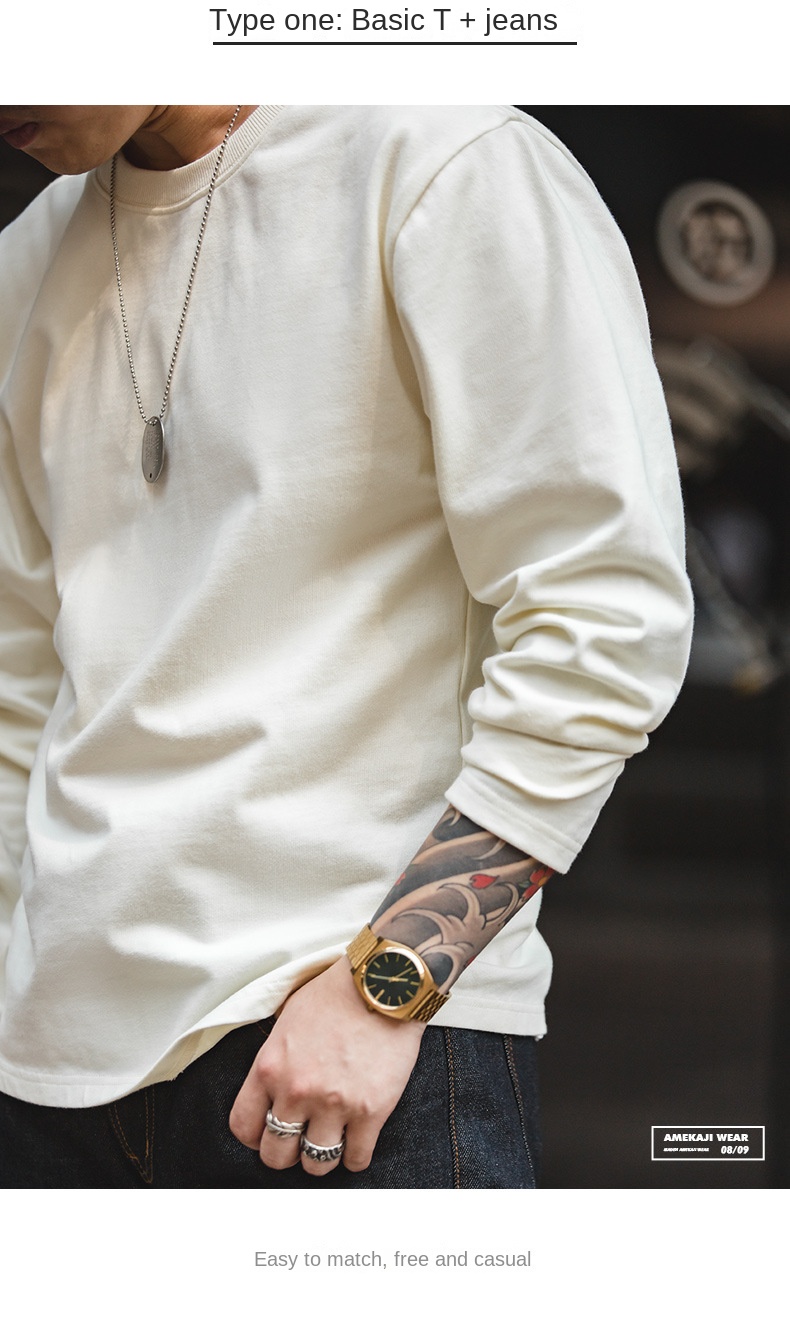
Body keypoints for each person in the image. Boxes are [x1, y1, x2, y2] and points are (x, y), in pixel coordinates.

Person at [0, 105, 693, 1188]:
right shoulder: (28, 256)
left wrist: (388, 986)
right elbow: (19, 682)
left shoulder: (445, 162)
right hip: (49, 1073)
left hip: (349, 1042)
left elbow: (604, 613)